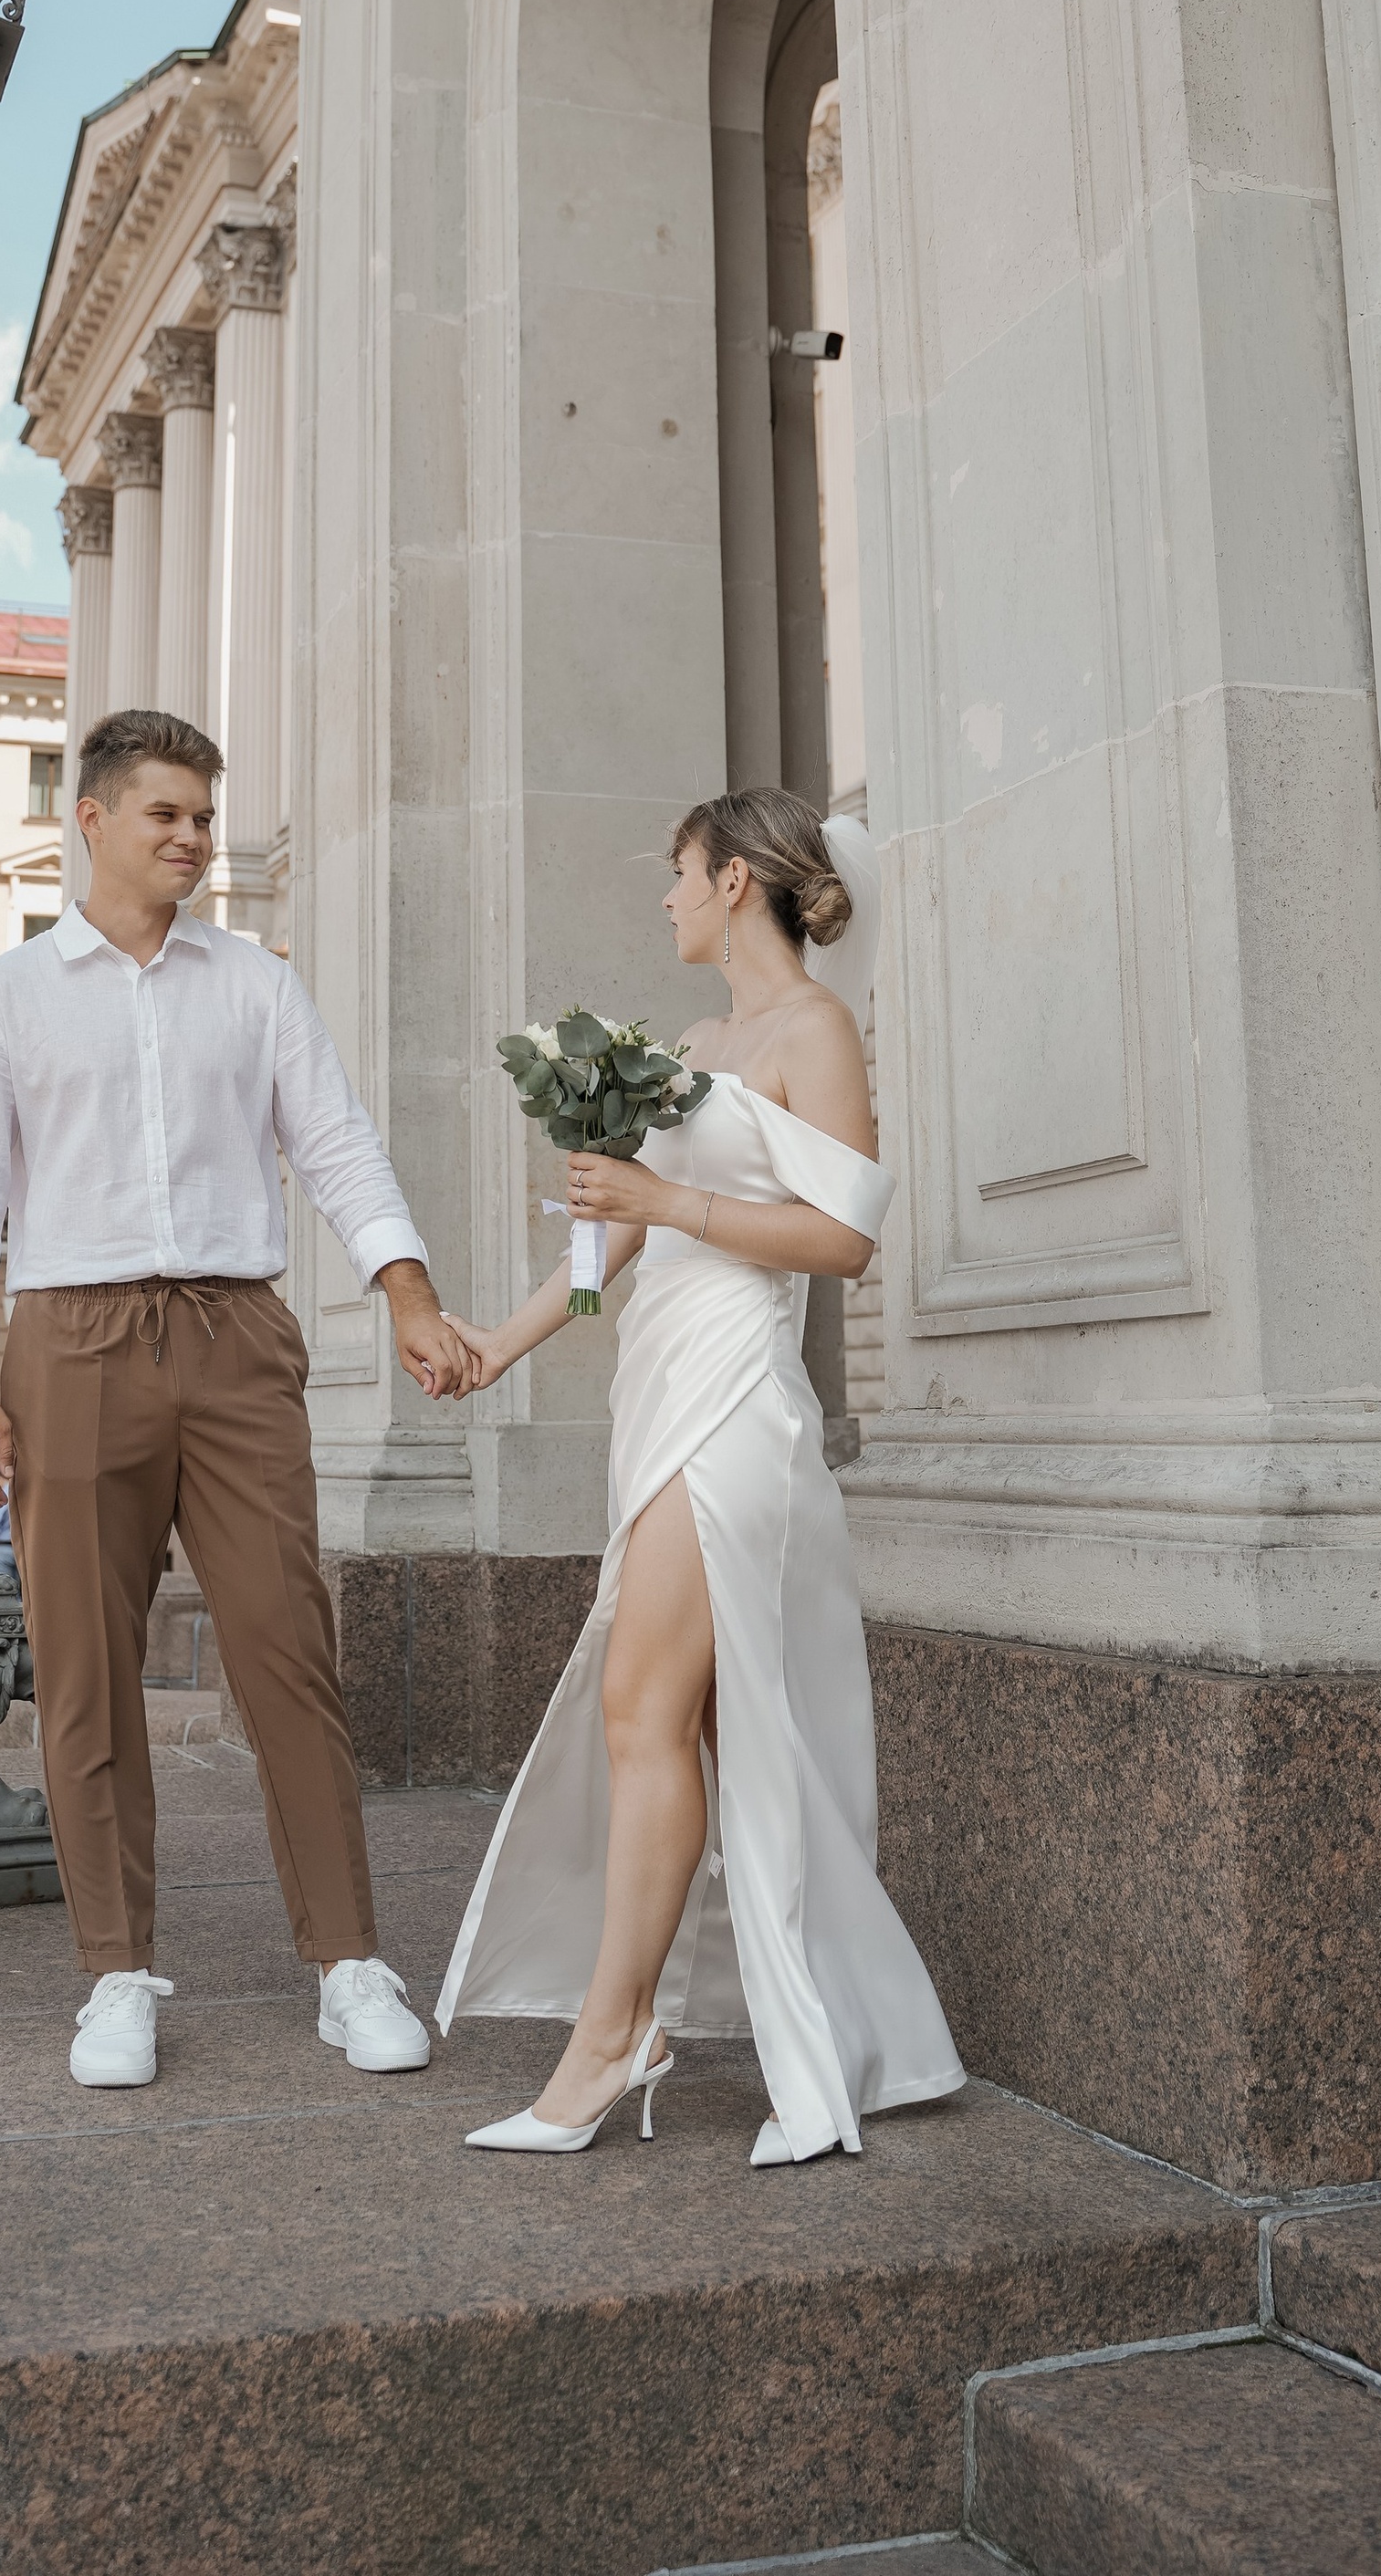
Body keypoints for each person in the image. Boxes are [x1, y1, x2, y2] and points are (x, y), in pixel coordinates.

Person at [0, 706, 474, 2091]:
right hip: (71, 1335)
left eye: (205, 819)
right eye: (165, 814)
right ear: (93, 820)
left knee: (288, 1646)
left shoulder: (255, 987)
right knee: (86, 1671)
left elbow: (335, 1139)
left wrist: (406, 1290)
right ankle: (115, 1973)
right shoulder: (9, 997)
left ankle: (349, 1960)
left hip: (236, 1336)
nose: (192, 840)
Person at [437, 788, 963, 2165]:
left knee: (640, 1704)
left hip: (733, 1397)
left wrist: (664, 1200)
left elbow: (843, 1238)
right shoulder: (693, 1048)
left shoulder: (813, 1033)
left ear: (736, 881)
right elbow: (616, 1246)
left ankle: (612, 2040)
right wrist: (497, 1345)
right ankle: (672, 2029)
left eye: (677, 874)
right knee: (681, 1725)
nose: (663, 899)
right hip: (654, 1380)